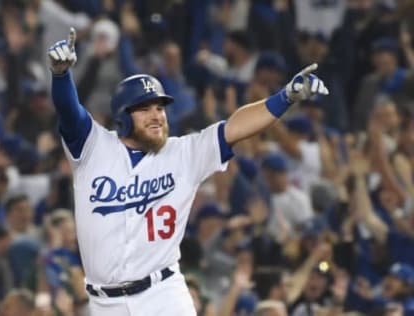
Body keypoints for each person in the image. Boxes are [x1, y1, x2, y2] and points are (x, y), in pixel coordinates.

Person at [47, 27, 329, 316]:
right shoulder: (94, 148)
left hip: (163, 295)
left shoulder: (183, 153)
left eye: (160, 107)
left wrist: (285, 98)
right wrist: (61, 75)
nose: (156, 115)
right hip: (105, 304)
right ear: (123, 118)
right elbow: (69, 111)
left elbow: (235, 127)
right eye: (144, 109)